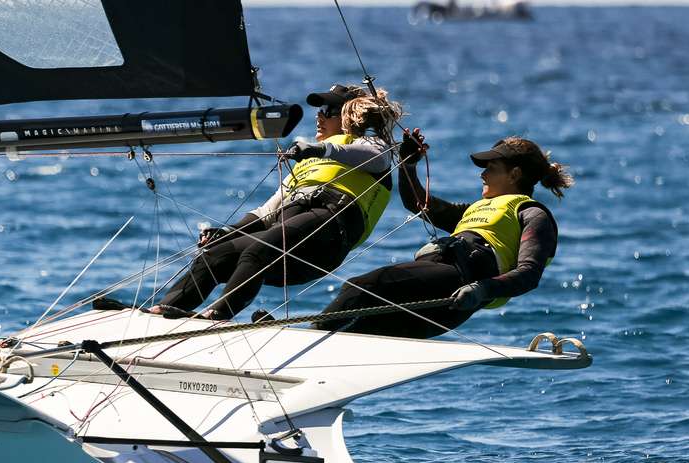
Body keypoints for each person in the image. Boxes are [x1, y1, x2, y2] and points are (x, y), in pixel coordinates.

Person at [150, 84, 402, 320]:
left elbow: (379, 159)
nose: (319, 116)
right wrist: (228, 231)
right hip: (287, 234)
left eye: (329, 111)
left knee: (260, 248)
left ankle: (216, 316)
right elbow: (268, 211)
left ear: (349, 118)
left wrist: (320, 149)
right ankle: (165, 311)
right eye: (319, 111)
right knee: (215, 255)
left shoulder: (367, 145)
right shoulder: (312, 161)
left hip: (328, 235)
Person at [314, 130, 573, 338]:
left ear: (514, 174)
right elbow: (418, 204)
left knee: (362, 288)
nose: (482, 174)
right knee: (360, 331)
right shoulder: (475, 209)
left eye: (491, 168)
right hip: (433, 295)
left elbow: (529, 274)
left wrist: (482, 290)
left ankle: (305, 338)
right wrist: (409, 164)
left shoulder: (532, 214)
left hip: (458, 292)